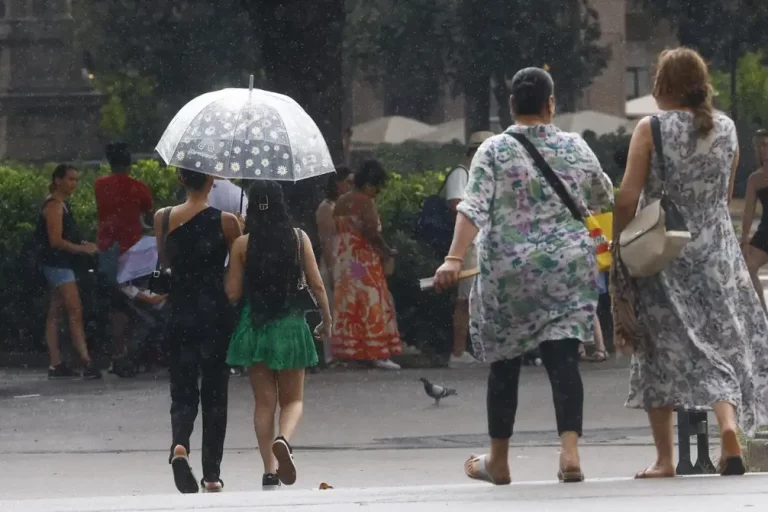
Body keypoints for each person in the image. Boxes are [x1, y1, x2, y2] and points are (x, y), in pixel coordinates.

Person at [433, 67, 613, 485]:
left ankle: (499, 460)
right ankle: (570, 454)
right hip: (568, 269)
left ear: (511, 105)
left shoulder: (494, 150)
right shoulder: (575, 147)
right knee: (564, 359)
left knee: (504, 363)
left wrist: (454, 259)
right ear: (551, 104)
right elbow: (604, 195)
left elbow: (472, 208)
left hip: (509, 273)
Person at [612, 47, 768, 478]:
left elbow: (627, 197)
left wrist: (618, 243)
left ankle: (665, 459)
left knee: (658, 348)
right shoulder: (727, 127)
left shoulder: (651, 128)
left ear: (663, 84)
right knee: (718, 344)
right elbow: (724, 193)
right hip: (717, 255)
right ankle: (729, 427)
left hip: (664, 252)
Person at [226, 181, 331, 490]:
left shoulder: (242, 244)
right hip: (290, 326)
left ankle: (269, 471)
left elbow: (232, 293)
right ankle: (283, 439)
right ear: (281, 204)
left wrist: (237, 241)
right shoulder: (299, 239)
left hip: (256, 326)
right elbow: (317, 284)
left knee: (264, 404)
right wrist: (326, 319)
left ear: (252, 207)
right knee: (293, 399)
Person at [158, 168, 242, 494]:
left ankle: (180, 443)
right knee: (215, 392)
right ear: (211, 181)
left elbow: (166, 262)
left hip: (178, 311)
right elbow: (236, 270)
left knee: (182, 387)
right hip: (214, 314)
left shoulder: (163, 218)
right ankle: (212, 475)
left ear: (181, 179)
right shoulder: (227, 221)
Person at [332, 160, 402, 370]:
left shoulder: (341, 201)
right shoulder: (365, 201)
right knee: (371, 301)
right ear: (369, 184)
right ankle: (376, 352)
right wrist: (387, 251)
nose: (378, 192)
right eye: (377, 186)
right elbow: (371, 232)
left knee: (350, 305)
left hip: (345, 260)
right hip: (362, 260)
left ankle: (352, 352)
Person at [38, 164, 102, 380]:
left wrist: (82, 244)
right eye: (70, 179)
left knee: (56, 312)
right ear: (58, 180)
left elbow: (65, 237)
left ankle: (55, 363)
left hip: (60, 264)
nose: (74, 184)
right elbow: (56, 241)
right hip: (58, 265)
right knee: (75, 311)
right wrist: (82, 249)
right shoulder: (54, 206)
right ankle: (86, 360)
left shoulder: (62, 205)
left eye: (76, 180)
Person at [94, 143, 154, 374]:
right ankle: (133, 354)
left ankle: (117, 354)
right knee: (136, 302)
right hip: (133, 253)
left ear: (110, 163)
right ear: (130, 164)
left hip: (107, 250)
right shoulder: (139, 187)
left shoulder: (100, 185)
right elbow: (149, 215)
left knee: (115, 305)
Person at [444, 131, 494, 368]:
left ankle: (476, 349)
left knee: (480, 299)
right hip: (468, 247)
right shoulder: (461, 174)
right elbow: (457, 206)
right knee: (466, 299)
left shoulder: (478, 176)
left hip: (481, 245)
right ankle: (458, 352)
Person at [315, 166, 353, 363]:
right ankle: (331, 355)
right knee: (331, 308)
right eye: (348, 182)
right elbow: (327, 242)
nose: (351, 187)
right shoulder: (326, 208)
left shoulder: (345, 206)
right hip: (333, 263)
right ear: (338, 184)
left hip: (349, 263)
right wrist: (331, 271)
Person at [740, 129, 768, 310]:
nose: (762, 149)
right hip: (766, 232)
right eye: (759, 146)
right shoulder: (755, 179)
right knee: (748, 267)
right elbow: (748, 212)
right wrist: (744, 240)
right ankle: (764, 314)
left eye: (766, 145)